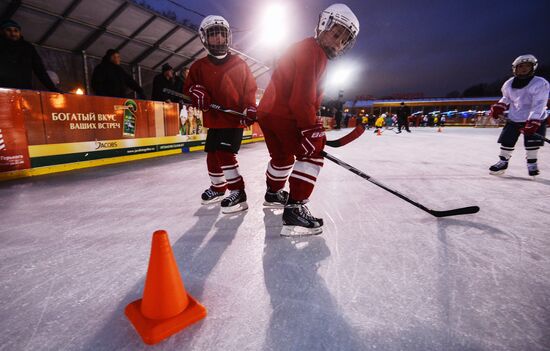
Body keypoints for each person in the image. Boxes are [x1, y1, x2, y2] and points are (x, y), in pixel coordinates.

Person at [257, 3, 360, 236]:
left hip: (269, 113)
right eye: (335, 34)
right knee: (313, 152)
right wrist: (311, 129)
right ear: (323, 25)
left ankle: (273, 194)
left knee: (282, 157)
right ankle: (295, 208)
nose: (337, 42)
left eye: (343, 40)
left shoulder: (305, 47)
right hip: (284, 113)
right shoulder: (314, 52)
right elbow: (301, 97)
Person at [184, 15, 257, 214]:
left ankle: (238, 192)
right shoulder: (198, 66)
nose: (218, 39)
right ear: (205, 38)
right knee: (212, 155)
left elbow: (249, 89)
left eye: (221, 34)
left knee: (225, 154)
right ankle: (218, 188)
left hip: (233, 119)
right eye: (213, 35)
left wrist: (250, 107)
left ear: (228, 37)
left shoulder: (239, 64)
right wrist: (195, 92)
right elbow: (189, 87)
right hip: (214, 120)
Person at [489, 54, 549, 177]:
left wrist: (534, 120)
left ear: (533, 68)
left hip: (535, 119)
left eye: (528, 66)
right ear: (515, 68)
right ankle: (503, 161)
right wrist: (500, 106)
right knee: (507, 140)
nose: (524, 68)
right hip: (515, 118)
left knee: (532, 142)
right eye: (521, 66)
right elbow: (506, 98)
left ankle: (532, 163)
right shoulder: (509, 83)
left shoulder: (540, 83)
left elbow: (539, 103)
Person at [0, 19, 60, 92]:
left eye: (16, 30)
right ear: (2, 32)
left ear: (20, 32)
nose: (13, 33)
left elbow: (40, 70)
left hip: (24, 90)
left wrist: (53, 89)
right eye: (8, 30)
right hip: (3, 90)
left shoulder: (28, 48)